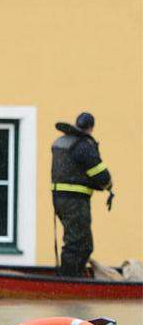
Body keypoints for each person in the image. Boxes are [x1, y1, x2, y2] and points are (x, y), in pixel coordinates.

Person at [51, 111, 113, 277]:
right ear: (91, 128)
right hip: (75, 202)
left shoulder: (63, 142)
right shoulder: (83, 146)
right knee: (77, 243)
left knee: (81, 243)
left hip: (60, 201)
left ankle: (75, 276)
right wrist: (109, 185)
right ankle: (69, 281)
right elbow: (101, 175)